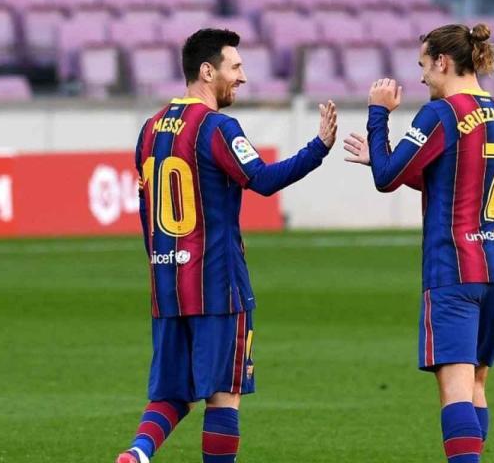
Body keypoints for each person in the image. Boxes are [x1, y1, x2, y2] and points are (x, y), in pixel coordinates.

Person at [118, 28, 337, 463]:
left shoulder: (149, 129)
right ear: (206, 70)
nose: (242, 77)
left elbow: (145, 211)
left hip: (168, 285)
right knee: (224, 395)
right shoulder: (217, 127)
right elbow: (264, 179)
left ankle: (138, 453)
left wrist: (162, 265)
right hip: (218, 284)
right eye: (235, 67)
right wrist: (319, 148)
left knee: (172, 392)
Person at [344, 24, 494, 463]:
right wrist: (383, 158)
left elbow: (386, 178)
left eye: (423, 65)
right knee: (477, 383)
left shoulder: (441, 113)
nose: (422, 77)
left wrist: (378, 113)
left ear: (442, 61)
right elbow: (448, 180)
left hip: (454, 268)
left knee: (454, 388)